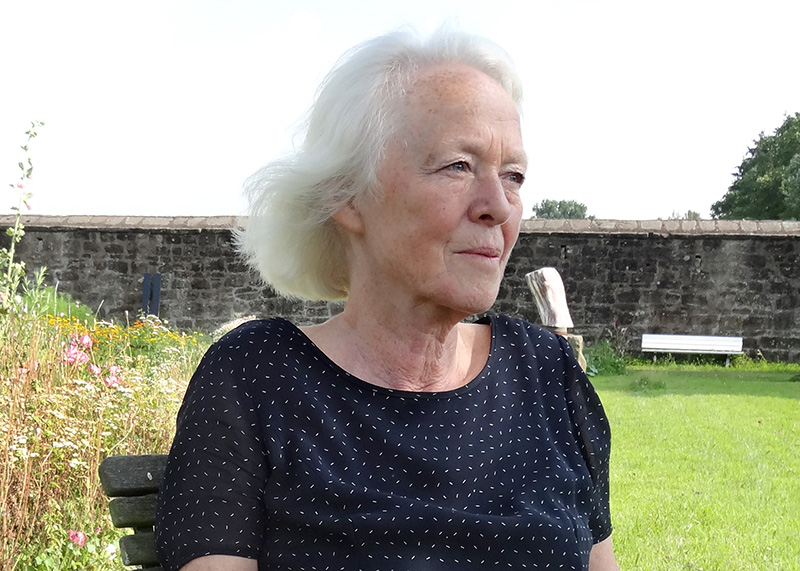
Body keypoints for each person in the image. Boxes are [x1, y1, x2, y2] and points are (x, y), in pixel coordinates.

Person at [155, 27, 620, 571]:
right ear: (346, 196)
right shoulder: (258, 376)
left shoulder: (547, 374)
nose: (498, 204)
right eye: (458, 166)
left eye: (513, 175)